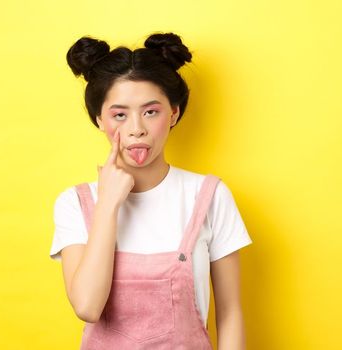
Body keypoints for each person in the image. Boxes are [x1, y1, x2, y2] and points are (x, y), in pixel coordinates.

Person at [49, 32, 252, 349]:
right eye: (119, 115)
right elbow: (87, 307)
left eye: (150, 111)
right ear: (99, 120)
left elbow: (230, 314)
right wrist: (108, 205)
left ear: (174, 113)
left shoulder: (209, 196)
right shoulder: (76, 203)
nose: (136, 129)